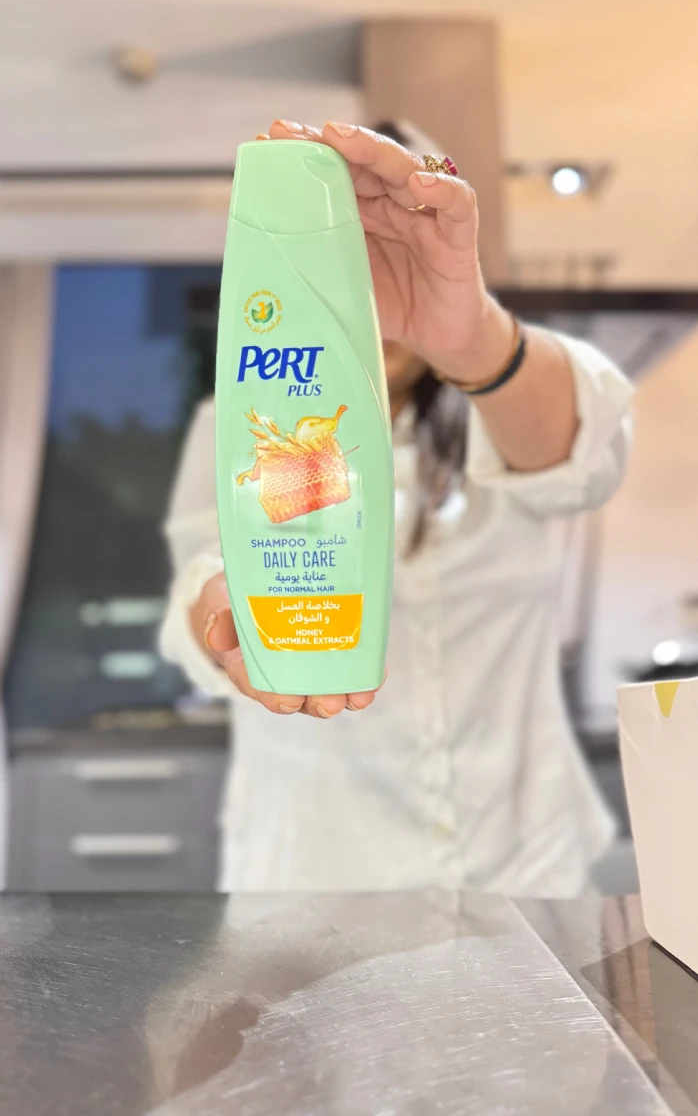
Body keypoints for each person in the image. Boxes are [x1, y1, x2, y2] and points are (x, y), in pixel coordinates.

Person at [160, 119, 633, 897]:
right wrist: (223, 610)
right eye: (338, 261)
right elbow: (200, 576)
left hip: (520, 864)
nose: (362, 301)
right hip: (317, 870)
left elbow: (586, 462)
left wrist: (467, 333)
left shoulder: (497, 409)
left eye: (378, 255)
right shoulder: (247, 420)